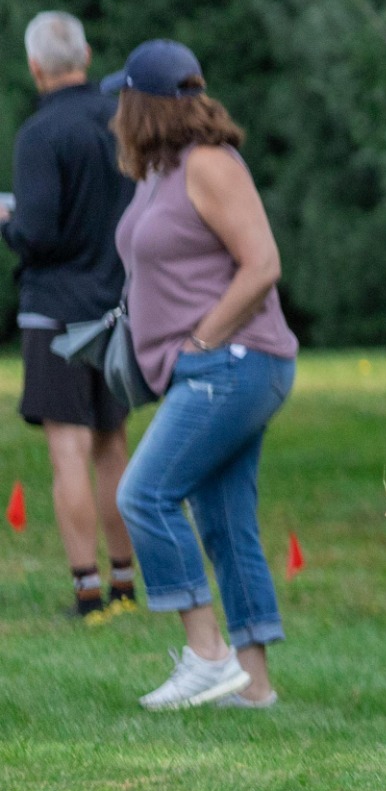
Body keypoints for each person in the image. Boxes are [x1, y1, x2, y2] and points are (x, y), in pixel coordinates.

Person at [110, 40, 298, 712]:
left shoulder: (212, 165)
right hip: (208, 367)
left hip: (235, 361)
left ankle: (207, 654)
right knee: (223, 523)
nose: (114, 114)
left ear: (143, 105)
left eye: (121, 100)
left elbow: (263, 264)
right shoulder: (160, 170)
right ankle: (255, 687)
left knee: (145, 495)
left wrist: (199, 339)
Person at [2, 11, 138, 619]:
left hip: (55, 310)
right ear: (86, 55)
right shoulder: (120, 122)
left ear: (35, 67)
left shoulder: (39, 134)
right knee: (113, 446)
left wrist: (10, 224)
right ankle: (126, 584)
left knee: (68, 451)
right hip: (116, 305)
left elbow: (38, 232)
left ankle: (86, 592)